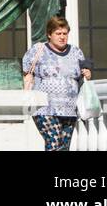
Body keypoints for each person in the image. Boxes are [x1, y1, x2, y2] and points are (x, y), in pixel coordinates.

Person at [21, 16, 91, 150]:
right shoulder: (38, 50)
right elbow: (26, 73)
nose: (62, 37)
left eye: (65, 33)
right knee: (53, 143)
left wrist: (88, 74)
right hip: (45, 108)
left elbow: (84, 73)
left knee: (64, 147)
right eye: (58, 33)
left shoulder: (76, 52)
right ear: (49, 34)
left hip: (69, 110)